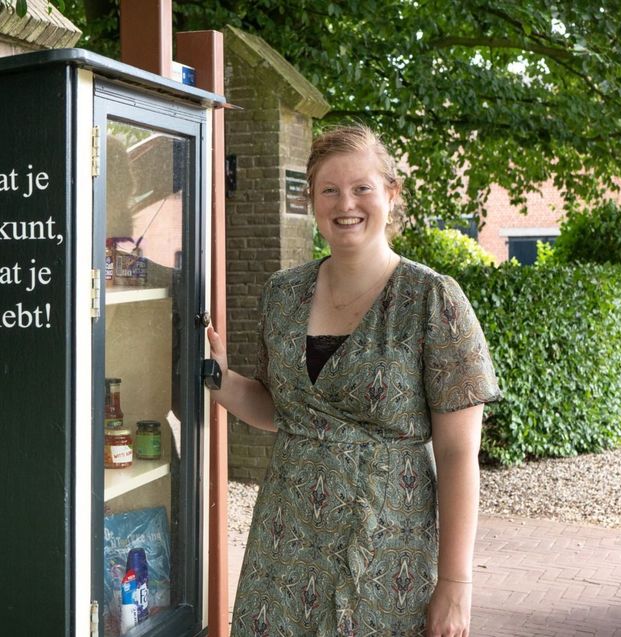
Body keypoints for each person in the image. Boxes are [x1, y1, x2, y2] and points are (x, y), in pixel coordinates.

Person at [208, 125, 501, 637]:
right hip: (284, 545)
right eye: (330, 190)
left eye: (362, 188)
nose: (347, 203)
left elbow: (458, 453)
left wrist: (455, 583)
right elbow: (281, 409)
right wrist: (220, 379)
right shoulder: (283, 294)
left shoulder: (434, 300)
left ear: (390, 194)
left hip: (386, 550)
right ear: (312, 199)